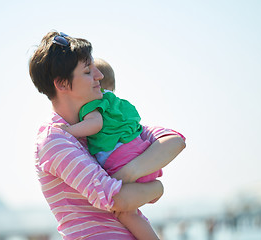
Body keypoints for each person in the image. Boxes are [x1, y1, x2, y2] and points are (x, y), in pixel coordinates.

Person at [29, 31, 186, 240]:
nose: (99, 76)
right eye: (87, 71)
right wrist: (156, 187)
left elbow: (173, 141)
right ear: (62, 84)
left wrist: (132, 176)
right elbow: (115, 199)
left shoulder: (105, 125)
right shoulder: (55, 140)